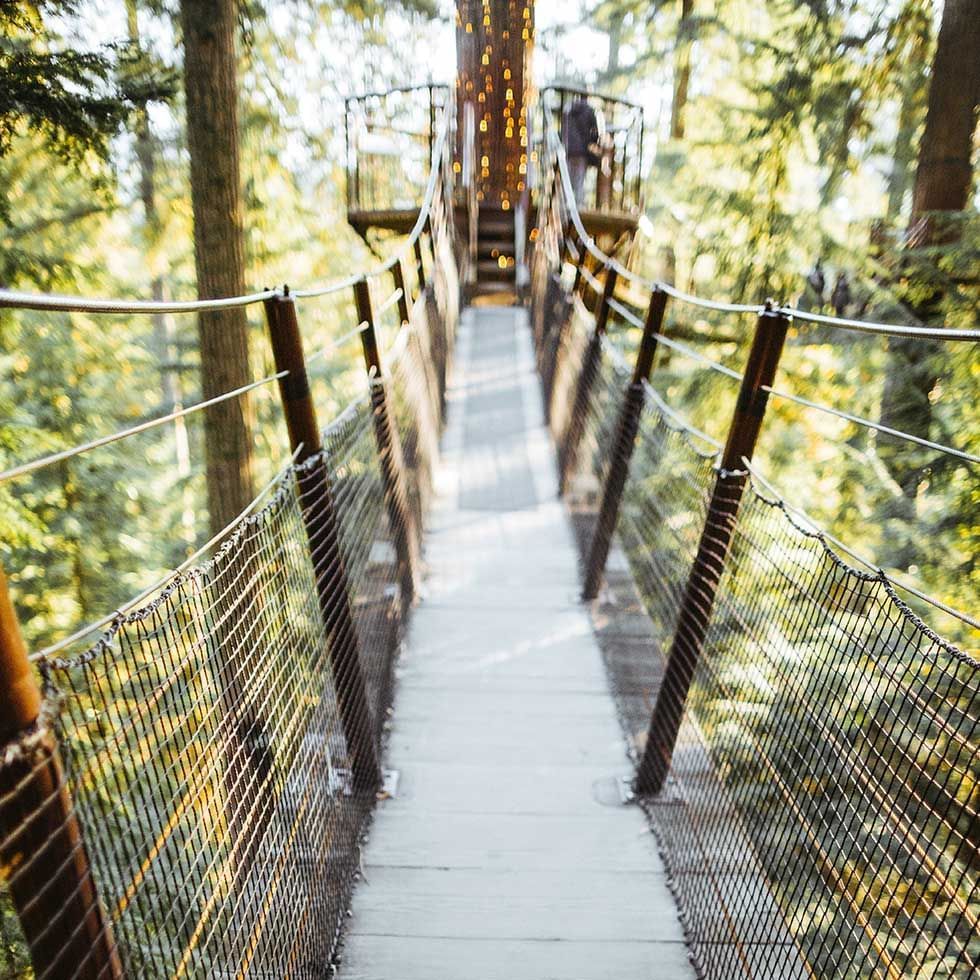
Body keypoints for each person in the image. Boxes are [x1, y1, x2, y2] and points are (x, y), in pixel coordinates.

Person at [564, 97, 599, 206]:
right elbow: (594, 131)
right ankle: (578, 208)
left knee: (568, 180)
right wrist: (592, 143)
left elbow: (564, 130)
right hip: (581, 151)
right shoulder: (589, 110)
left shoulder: (568, 110)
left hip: (569, 151)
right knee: (579, 181)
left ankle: (566, 205)